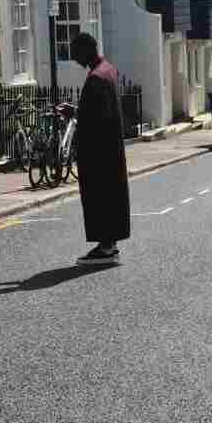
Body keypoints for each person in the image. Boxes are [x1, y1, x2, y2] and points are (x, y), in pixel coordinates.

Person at [69, 32, 130, 265]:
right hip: (111, 149)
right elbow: (99, 111)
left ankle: (105, 247)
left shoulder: (96, 77)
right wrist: (76, 111)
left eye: (76, 53)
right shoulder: (109, 70)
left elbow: (96, 120)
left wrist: (77, 117)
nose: (74, 59)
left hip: (98, 152)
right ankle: (109, 243)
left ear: (87, 49)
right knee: (110, 197)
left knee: (99, 198)